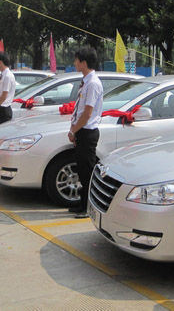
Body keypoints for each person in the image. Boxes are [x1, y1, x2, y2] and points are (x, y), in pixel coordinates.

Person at [67, 47, 103, 219]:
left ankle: (88, 207)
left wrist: (74, 130)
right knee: (82, 171)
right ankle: (82, 203)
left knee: (87, 172)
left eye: (76, 60)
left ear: (84, 62)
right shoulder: (86, 81)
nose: (74, 63)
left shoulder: (93, 83)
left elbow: (87, 113)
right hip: (82, 131)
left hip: (87, 132)